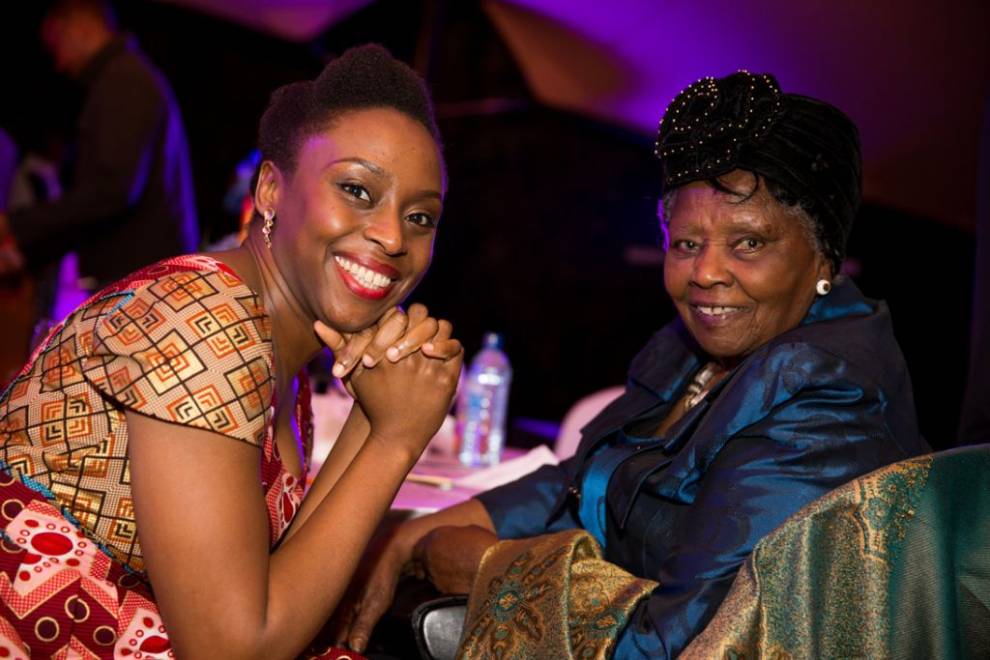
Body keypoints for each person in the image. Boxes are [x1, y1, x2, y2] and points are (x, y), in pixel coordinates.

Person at [333, 72, 930, 658]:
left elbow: (686, 641)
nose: (705, 272)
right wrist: (414, 532)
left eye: (749, 243)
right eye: (687, 243)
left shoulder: (827, 394)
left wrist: (493, 569)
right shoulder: (694, 346)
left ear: (824, 254)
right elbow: (588, 476)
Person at [0, 44, 462, 659]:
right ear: (271, 189)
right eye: (357, 190)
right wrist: (396, 439)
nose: (392, 236)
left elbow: (291, 582)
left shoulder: (281, 348)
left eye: (421, 217)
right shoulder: (203, 322)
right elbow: (231, 649)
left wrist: (376, 415)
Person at [0, 0, 198, 293]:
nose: (59, 63)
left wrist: (16, 226)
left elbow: (111, 191)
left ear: (81, 25)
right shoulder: (123, 77)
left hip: (140, 282)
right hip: (142, 278)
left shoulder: (124, 80)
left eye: (58, 44)